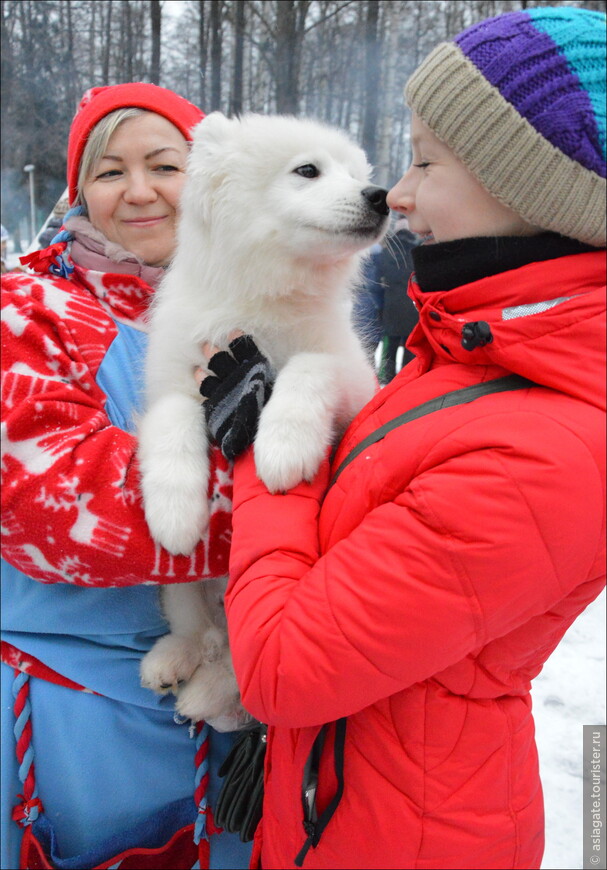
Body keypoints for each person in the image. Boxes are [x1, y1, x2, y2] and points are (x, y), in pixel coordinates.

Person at [200, 7, 605, 869]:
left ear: (531, 184)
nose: (401, 192)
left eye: (426, 160)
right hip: (344, 800)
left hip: (405, 835)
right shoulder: (466, 355)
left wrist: (263, 448)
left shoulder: (550, 447)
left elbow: (283, 666)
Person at [1, 83, 252, 870]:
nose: (138, 191)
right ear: (79, 193)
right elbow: (54, 510)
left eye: (164, 165)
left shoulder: (260, 298)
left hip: (246, 701)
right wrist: (275, 489)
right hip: (80, 703)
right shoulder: (29, 310)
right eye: (109, 172)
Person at [376, 217, 419, 382]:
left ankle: (386, 377)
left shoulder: (385, 253)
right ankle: (407, 378)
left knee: (390, 343)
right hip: (412, 306)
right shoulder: (416, 252)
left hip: (391, 305)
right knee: (410, 343)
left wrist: (379, 305)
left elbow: (376, 281)